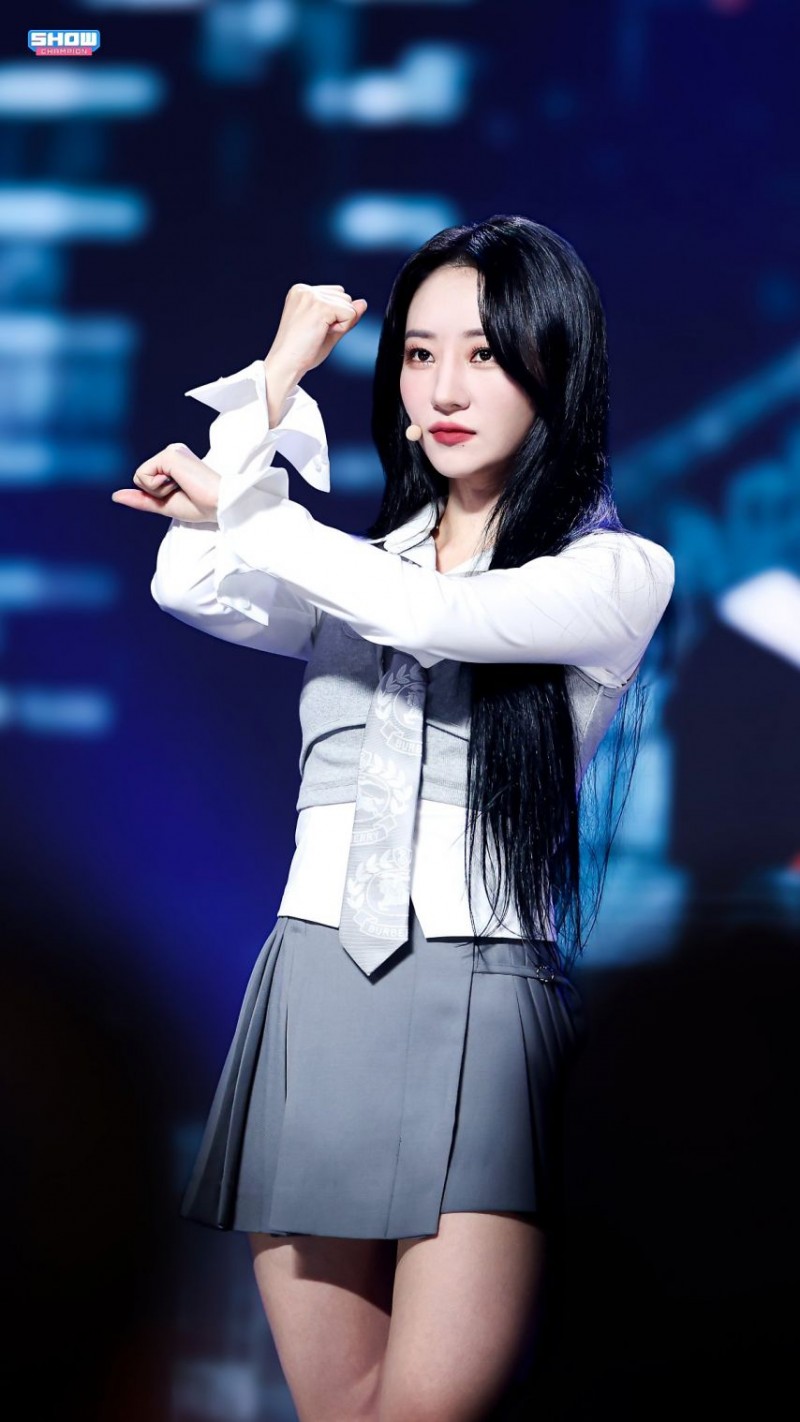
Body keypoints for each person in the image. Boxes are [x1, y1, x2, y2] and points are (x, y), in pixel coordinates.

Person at [112, 215, 675, 1422]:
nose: (444, 388)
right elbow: (190, 580)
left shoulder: (614, 573)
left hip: (485, 1000)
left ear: (555, 365)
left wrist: (245, 509)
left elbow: (430, 620)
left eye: (485, 353)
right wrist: (273, 380)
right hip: (314, 984)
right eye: (418, 354)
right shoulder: (354, 568)